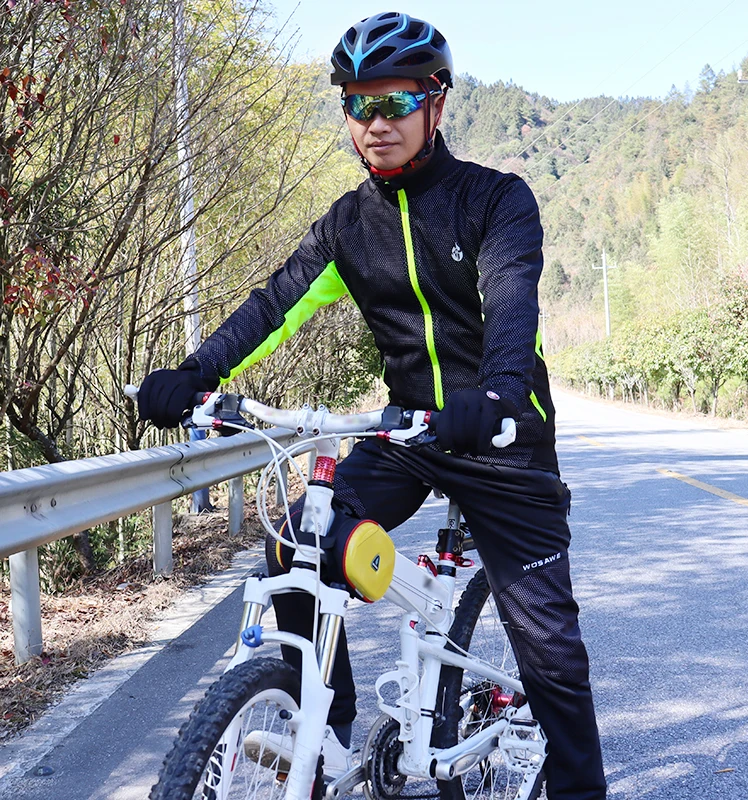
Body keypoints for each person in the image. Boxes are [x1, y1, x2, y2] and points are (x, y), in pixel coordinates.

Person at [137, 11, 606, 799]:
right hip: (410, 433)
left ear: (436, 103)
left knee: (550, 648)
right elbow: (274, 305)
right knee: (298, 542)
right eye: (360, 104)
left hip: (502, 437)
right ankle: (325, 733)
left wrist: (495, 393)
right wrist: (196, 370)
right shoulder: (347, 225)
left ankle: (581, 790)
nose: (376, 122)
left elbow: (510, 305)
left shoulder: (495, 200)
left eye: (395, 101)